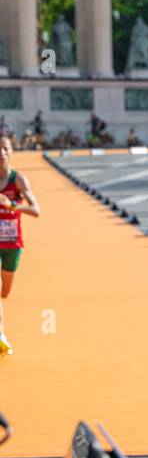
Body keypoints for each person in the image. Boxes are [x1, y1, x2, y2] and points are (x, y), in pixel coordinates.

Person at [0, 131, 42, 355]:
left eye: (5, 148)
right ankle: (1, 333)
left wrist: (12, 206)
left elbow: (36, 210)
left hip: (12, 243)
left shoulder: (18, 179)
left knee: (4, 293)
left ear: (11, 152)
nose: (1, 153)